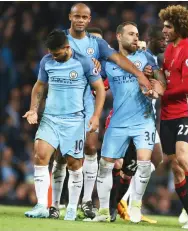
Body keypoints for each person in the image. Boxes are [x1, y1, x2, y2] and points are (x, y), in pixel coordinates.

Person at [49, 3, 151, 220]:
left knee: (90, 148)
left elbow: (118, 60)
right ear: (70, 16)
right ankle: (54, 204)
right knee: (60, 154)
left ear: (89, 18)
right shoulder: (61, 39)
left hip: (86, 104)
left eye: (85, 17)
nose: (80, 20)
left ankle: (86, 202)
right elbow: (49, 62)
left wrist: (141, 75)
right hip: (62, 104)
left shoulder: (97, 44)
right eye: (77, 16)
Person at [23, 29, 106, 221]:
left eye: (57, 53)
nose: (54, 56)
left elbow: (99, 89)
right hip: (50, 118)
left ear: (67, 48)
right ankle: (42, 205)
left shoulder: (84, 62)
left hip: (74, 121)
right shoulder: (47, 62)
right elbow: (39, 86)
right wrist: (34, 109)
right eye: (51, 53)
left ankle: (71, 207)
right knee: (40, 156)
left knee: (74, 164)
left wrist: (95, 115)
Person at [89, 21, 165, 223]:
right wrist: (94, 68)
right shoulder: (108, 61)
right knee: (105, 166)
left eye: (137, 34)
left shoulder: (147, 57)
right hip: (118, 121)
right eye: (131, 34)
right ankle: (104, 211)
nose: (135, 37)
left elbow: (160, 80)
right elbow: (97, 84)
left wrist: (156, 88)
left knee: (144, 163)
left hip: (144, 120)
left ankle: (135, 207)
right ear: (119, 36)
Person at [158, 5, 188, 229]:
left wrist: (162, 91)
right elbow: (167, 79)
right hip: (167, 112)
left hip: (186, 110)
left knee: (184, 157)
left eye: (168, 26)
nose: (164, 30)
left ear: (179, 27)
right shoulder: (169, 49)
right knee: (175, 166)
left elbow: (187, 86)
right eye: (164, 26)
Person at [115, 25, 166, 224]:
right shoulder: (142, 55)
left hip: (147, 116)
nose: (165, 43)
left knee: (153, 159)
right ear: (150, 39)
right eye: (161, 40)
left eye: (166, 40)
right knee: (128, 165)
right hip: (135, 116)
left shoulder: (152, 59)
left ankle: (125, 201)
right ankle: (117, 202)